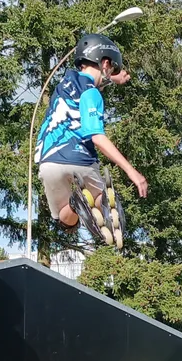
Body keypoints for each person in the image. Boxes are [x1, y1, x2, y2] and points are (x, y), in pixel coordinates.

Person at [34, 33, 147, 247]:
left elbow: (93, 76)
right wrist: (132, 171)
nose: (111, 72)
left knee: (66, 222)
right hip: (79, 159)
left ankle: (76, 204)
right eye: (112, 68)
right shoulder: (91, 93)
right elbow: (96, 136)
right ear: (105, 62)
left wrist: (113, 78)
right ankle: (100, 204)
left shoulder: (65, 83)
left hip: (48, 162)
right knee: (100, 201)